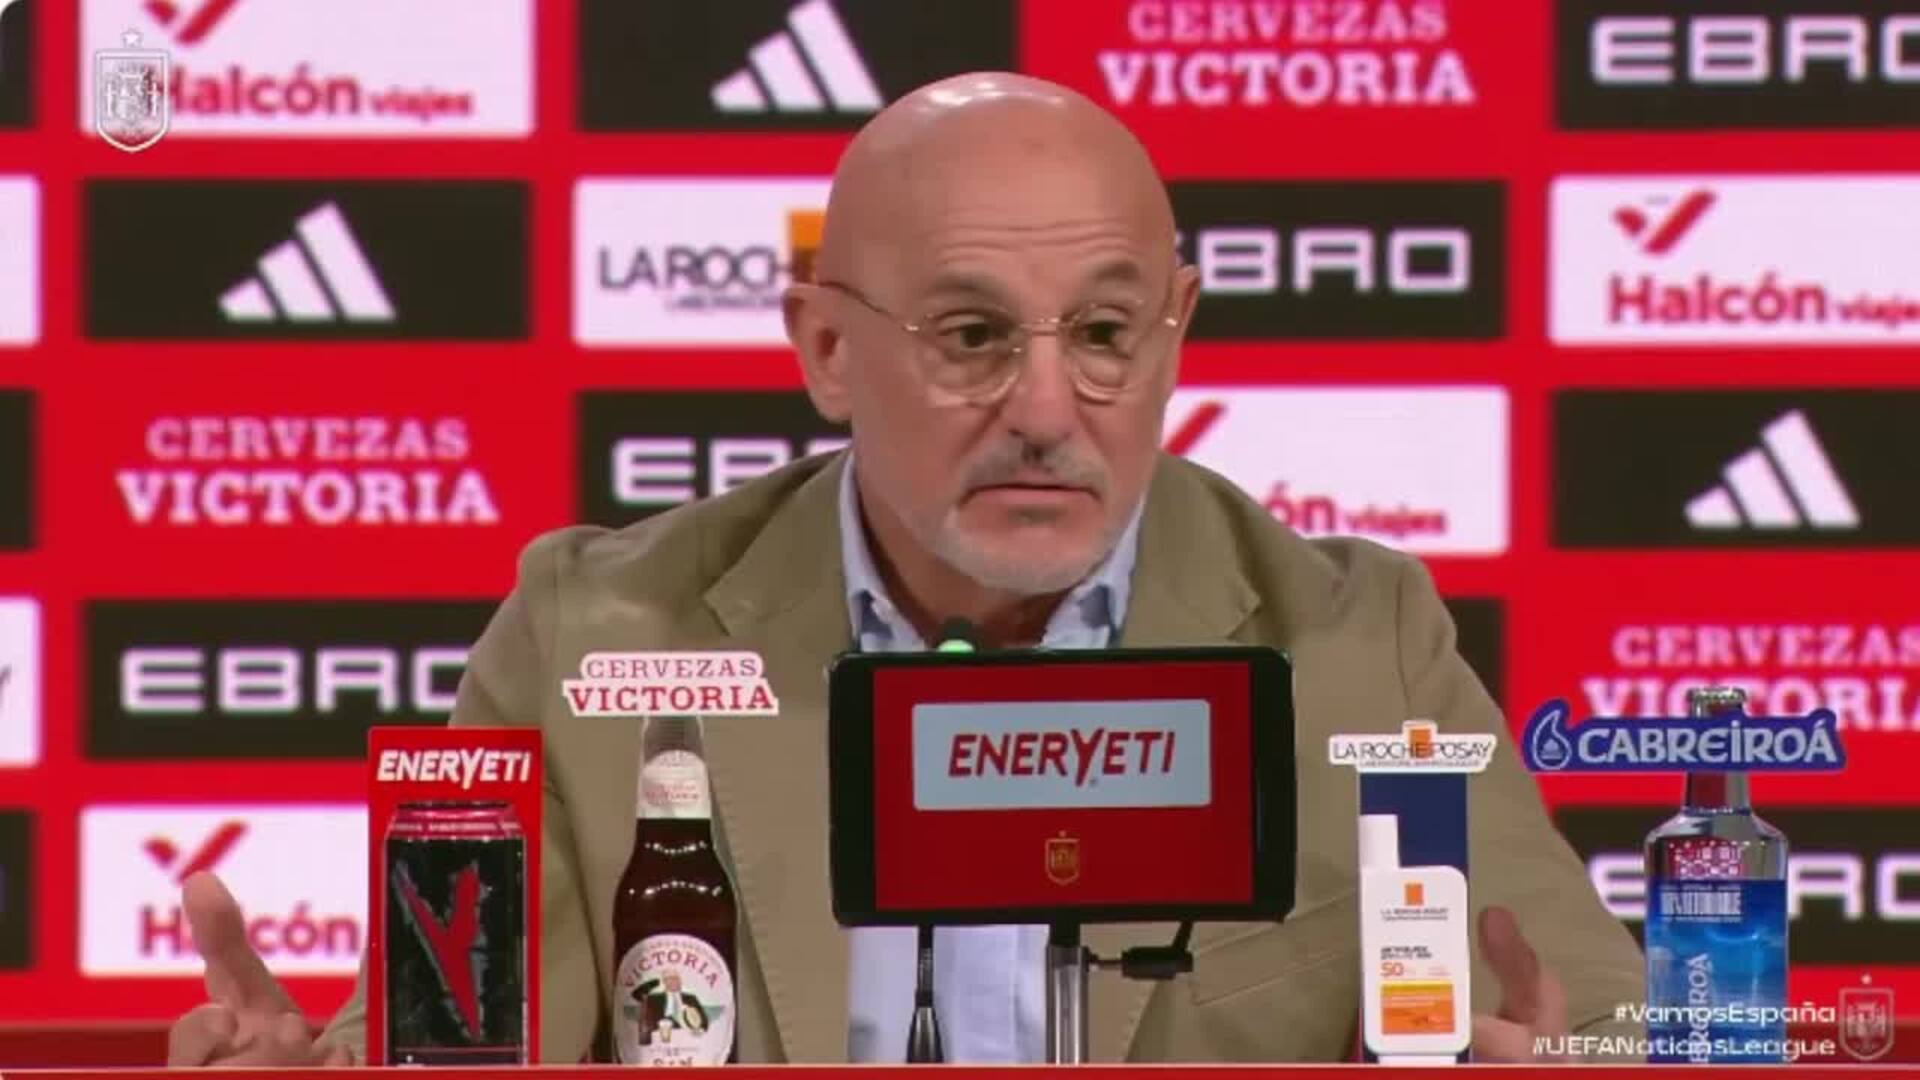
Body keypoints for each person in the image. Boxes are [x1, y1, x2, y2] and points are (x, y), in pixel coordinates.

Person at [166, 71, 1643, 1066]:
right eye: (972, 336)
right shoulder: (591, 636)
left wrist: (1558, 1056)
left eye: (1106, 334)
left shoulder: (1361, 645)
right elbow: (455, 1048)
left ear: (1176, 332)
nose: (1048, 409)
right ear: (825, 346)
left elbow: (1597, 1023)